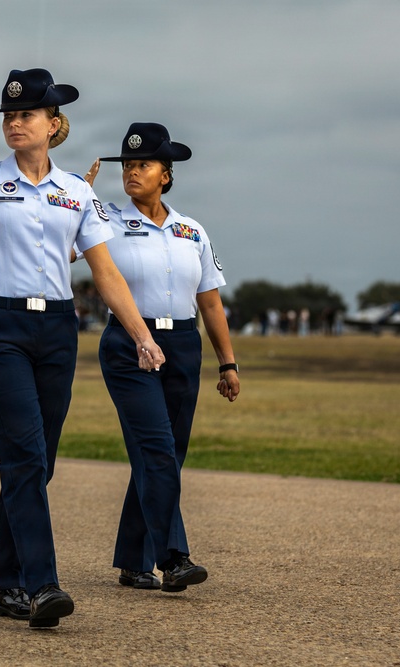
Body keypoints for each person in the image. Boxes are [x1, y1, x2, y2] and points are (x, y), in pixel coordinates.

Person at [0, 69, 165, 628]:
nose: (15, 123)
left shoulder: (77, 192)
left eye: (27, 115)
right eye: (10, 115)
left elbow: (105, 272)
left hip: (59, 330)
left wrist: (141, 334)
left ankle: (6, 586)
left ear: (53, 124)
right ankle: (42, 585)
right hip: (3, 328)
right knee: (24, 456)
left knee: (38, 463)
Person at [83, 122, 240, 593]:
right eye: (127, 165)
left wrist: (227, 363)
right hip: (130, 345)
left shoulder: (192, 230)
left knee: (166, 455)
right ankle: (173, 559)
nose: (132, 172)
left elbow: (210, 301)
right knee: (156, 450)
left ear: (166, 175)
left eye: (143, 165)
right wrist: (77, 201)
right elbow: (67, 249)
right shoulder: (106, 219)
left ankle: (133, 561)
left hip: (184, 345)